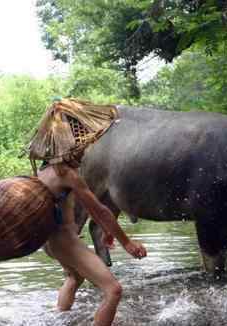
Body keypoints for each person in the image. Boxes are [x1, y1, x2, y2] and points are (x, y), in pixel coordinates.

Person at [28, 99, 147, 326]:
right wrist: (127, 243)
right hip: (65, 242)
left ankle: (61, 319)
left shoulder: (45, 170)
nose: (87, 146)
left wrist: (106, 232)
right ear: (73, 141)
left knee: (75, 277)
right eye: (83, 140)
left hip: (49, 242)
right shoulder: (68, 174)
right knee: (113, 291)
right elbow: (101, 211)